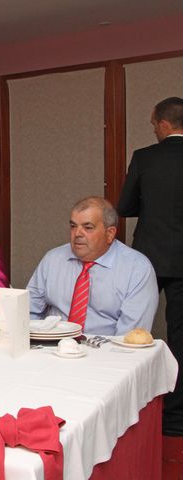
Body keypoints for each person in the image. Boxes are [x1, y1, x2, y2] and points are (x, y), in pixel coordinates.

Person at [117, 96, 183, 436]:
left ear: (163, 124)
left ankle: (127, 404)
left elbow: (125, 206)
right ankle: (175, 418)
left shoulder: (145, 157)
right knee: (181, 336)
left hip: (149, 257)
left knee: (132, 327)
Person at [27, 196, 158, 336]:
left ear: (110, 233)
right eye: (73, 226)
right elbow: (28, 312)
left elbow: (130, 337)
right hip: (53, 349)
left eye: (87, 227)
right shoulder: (52, 260)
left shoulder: (137, 269)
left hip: (107, 352)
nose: (77, 234)